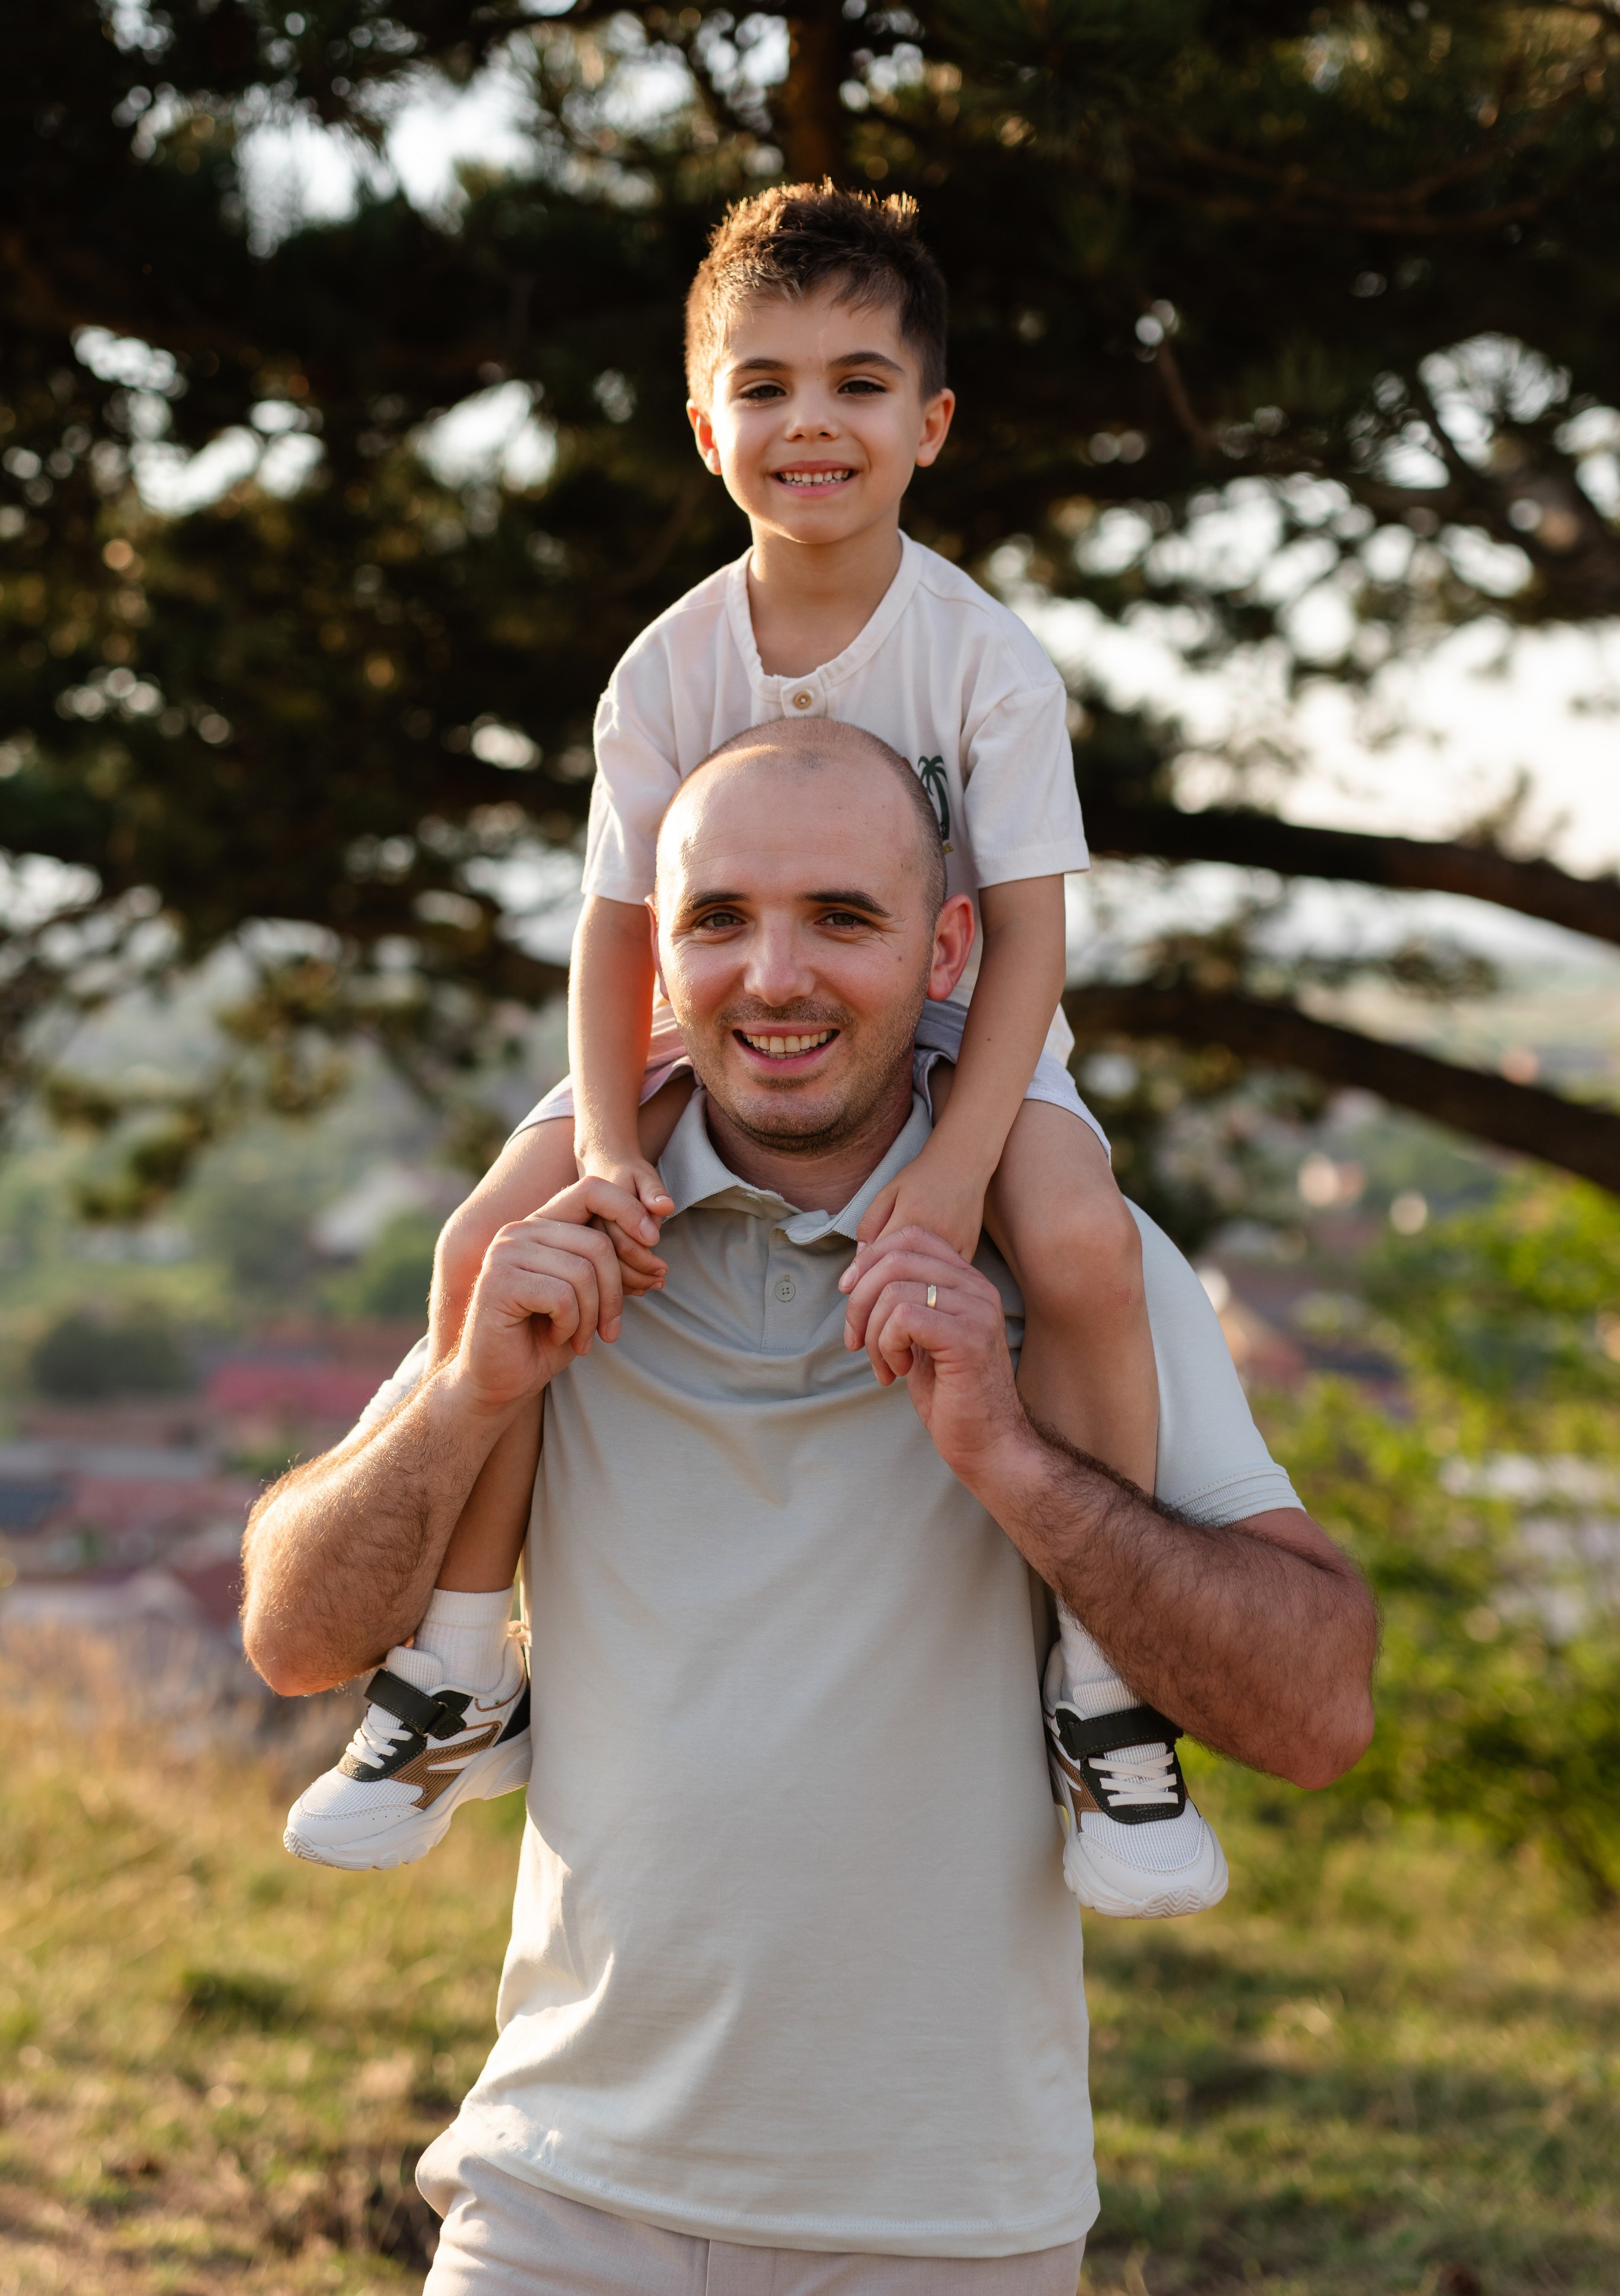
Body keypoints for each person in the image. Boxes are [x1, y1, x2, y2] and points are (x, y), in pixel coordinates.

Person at [242, 722, 1377, 2294]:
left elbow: (1314, 1712)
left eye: (841, 917)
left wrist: (1014, 1460)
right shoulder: (559, 1234)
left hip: (945, 2231)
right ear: (653, 956)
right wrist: (463, 1400)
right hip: (552, 2194)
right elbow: (295, 1636)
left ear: (946, 949)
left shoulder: (1073, 1265)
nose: (773, 977)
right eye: (718, 919)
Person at [282, 182, 1223, 1917]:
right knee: (490, 1244)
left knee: (1084, 1241)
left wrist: (957, 1167)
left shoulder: (988, 664)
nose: (812, 423)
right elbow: (616, 932)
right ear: (707, 427)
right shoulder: (664, 671)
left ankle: (1105, 1701)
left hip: (966, 1018)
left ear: (931, 423)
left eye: (860, 384)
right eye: (766, 385)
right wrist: (609, 1149)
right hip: (705, 1022)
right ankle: (461, 1668)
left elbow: (1027, 941)